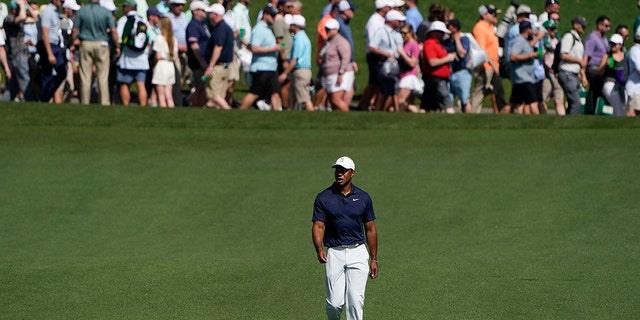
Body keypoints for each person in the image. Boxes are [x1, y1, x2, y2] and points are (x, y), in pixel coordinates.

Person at [312, 156, 378, 320]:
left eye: (343, 171)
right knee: (334, 304)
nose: (339, 174)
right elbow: (318, 226)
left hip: (358, 252)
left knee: (355, 301)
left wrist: (374, 259)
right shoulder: (324, 197)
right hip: (335, 253)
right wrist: (319, 249)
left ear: (352, 173)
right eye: (337, 170)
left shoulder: (363, 197)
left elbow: (370, 229)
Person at [72, 0, 120, 105]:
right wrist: (117, 45)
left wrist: (72, 41)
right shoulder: (105, 12)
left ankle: (85, 102)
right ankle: (104, 102)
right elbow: (113, 30)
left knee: (85, 76)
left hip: (86, 43)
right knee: (103, 76)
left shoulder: (82, 11)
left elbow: (75, 29)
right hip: (101, 43)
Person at [238, 6, 284, 111]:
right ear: (265, 15)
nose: (274, 18)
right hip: (261, 68)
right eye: (272, 16)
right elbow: (254, 48)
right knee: (255, 93)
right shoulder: (259, 29)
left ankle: (277, 116)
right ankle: (241, 110)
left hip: (271, 67)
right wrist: (273, 48)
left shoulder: (268, 29)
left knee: (275, 93)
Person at [471, 4, 508, 114]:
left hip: (493, 66)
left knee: (497, 92)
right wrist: (492, 64)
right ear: (484, 15)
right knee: (479, 94)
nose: (496, 16)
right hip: (485, 67)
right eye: (493, 14)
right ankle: (471, 114)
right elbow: (482, 50)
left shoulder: (490, 27)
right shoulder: (480, 28)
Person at [368, 9, 405, 112]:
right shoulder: (381, 32)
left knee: (391, 89)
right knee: (385, 89)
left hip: (395, 64)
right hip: (384, 64)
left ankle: (383, 110)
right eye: (398, 21)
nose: (400, 23)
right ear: (392, 20)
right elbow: (372, 47)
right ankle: (380, 109)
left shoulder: (397, 33)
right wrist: (386, 54)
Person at [358, 0, 391, 111]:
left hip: (379, 54)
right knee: (373, 82)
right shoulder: (374, 21)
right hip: (374, 56)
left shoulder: (380, 20)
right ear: (382, 8)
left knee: (376, 83)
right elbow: (373, 42)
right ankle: (362, 104)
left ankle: (370, 104)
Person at [116, 0, 150, 106]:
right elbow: (149, 38)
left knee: (124, 84)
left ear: (128, 7)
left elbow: (119, 37)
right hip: (142, 59)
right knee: (141, 84)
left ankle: (126, 105)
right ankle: (142, 105)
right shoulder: (143, 20)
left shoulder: (124, 20)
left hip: (127, 58)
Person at [3, 0, 36, 102]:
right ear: (14, 9)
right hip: (17, 55)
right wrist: (21, 4)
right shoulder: (8, 19)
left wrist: (26, 5)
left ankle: (4, 102)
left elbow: (35, 18)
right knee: (25, 81)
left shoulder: (18, 18)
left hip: (20, 55)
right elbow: (21, 17)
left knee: (13, 85)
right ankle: (31, 102)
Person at [278, 14, 313, 111]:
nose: (290, 27)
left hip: (300, 71)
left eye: (291, 25)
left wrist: (285, 73)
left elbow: (295, 59)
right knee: (292, 98)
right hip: (301, 71)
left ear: (296, 26)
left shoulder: (299, 39)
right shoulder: (302, 37)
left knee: (304, 99)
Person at [421, 20, 456, 113]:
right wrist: (448, 58)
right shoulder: (430, 43)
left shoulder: (437, 44)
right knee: (446, 100)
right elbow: (432, 62)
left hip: (439, 78)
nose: (443, 35)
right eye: (441, 33)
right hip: (435, 78)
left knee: (427, 105)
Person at [203, 3, 233, 110]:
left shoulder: (220, 29)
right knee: (220, 93)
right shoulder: (227, 27)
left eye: (210, 13)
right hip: (226, 66)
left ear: (215, 14)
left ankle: (229, 112)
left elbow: (218, 47)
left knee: (213, 92)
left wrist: (211, 66)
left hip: (218, 67)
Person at [319, 18, 353, 112]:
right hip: (330, 75)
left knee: (336, 99)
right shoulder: (329, 41)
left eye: (329, 29)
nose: (327, 31)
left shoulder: (341, 41)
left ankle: (348, 119)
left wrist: (341, 73)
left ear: (336, 29)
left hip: (339, 73)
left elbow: (346, 58)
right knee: (332, 102)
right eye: (326, 29)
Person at [557, 16, 588, 115]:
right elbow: (564, 55)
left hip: (574, 74)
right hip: (567, 73)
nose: (584, 27)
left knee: (572, 103)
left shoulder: (578, 40)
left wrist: (582, 75)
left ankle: (567, 124)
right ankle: (572, 124)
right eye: (581, 25)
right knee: (576, 103)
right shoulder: (569, 37)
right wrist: (579, 61)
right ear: (575, 25)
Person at [38, 0, 66, 103]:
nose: (62, 2)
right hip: (48, 44)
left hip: (54, 44)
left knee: (61, 72)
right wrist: (49, 53)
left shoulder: (55, 12)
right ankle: (45, 98)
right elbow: (44, 33)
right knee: (47, 73)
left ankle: (46, 96)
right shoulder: (47, 11)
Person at [509, 21, 540, 114]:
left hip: (525, 77)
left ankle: (499, 118)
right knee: (533, 103)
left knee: (515, 104)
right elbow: (513, 56)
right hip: (523, 77)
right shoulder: (519, 40)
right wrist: (530, 56)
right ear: (527, 30)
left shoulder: (526, 41)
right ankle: (540, 125)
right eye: (531, 29)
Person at [443, 18, 472, 113]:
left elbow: (462, 54)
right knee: (448, 100)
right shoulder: (446, 41)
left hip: (462, 72)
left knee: (464, 99)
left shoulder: (464, 39)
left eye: (449, 26)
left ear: (455, 28)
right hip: (449, 72)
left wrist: (457, 40)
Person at [584, 15, 611, 114]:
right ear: (600, 25)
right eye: (606, 26)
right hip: (593, 68)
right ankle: (593, 110)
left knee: (599, 91)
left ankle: (596, 109)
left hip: (602, 67)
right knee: (597, 90)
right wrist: (583, 73)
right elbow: (586, 55)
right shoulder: (592, 38)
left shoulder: (603, 38)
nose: (608, 29)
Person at [185, 0, 210, 107]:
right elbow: (194, 45)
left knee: (203, 87)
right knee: (201, 87)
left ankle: (189, 101)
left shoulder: (201, 24)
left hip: (202, 62)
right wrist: (202, 62)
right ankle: (195, 106)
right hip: (198, 64)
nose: (205, 13)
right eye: (203, 10)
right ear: (195, 11)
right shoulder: (193, 26)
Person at [541, 17, 565, 115]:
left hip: (557, 74)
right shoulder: (542, 42)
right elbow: (541, 57)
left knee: (559, 100)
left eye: (555, 29)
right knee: (542, 100)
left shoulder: (558, 41)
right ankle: (545, 120)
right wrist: (547, 69)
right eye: (552, 29)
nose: (554, 31)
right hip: (546, 74)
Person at [152, 16, 178, 107]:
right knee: (169, 95)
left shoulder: (159, 38)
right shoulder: (174, 39)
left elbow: (158, 56)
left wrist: (153, 63)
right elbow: (175, 57)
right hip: (170, 66)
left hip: (161, 66)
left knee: (161, 95)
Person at [598, 34, 627, 116]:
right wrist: (604, 65)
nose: (612, 46)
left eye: (614, 44)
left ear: (620, 45)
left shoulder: (625, 56)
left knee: (623, 105)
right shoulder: (607, 56)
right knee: (617, 103)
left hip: (622, 83)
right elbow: (599, 72)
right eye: (611, 44)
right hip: (610, 83)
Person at [396, 24, 422, 113]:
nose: (402, 35)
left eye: (404, 33)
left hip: (409, 76)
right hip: (402, 75)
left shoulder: (414, 45)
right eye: (401, 33)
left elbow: (412, 63)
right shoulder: (404, 44)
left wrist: (402, 53)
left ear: (410, 33)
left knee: (401, 101)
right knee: (407, 102)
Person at [626, 28, 640, 116]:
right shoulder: (636, 51)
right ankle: (623, 129)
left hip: (638, 89)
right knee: (633, 112)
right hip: (634, 89)